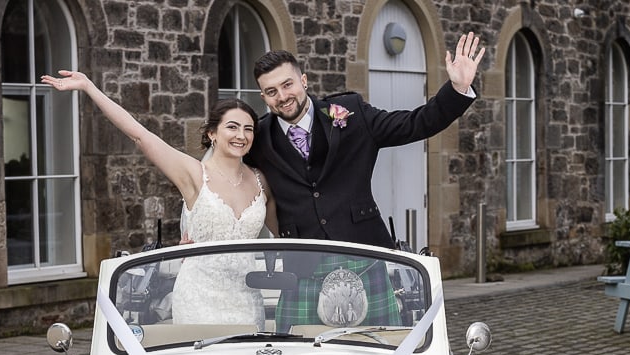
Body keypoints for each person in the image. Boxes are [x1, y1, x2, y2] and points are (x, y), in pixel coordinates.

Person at [245, 34, 486, 330]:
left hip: (364, 256)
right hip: (302, 268)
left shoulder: (351, 113)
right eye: (271, 92)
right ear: (262, 96)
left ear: (303, 81)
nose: (282, 97)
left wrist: (458, 89)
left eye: (287, 85)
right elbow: (227, 178)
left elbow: (415, 123)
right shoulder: (257, 138)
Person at [40, 70, 276, 327]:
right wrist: (89, 87)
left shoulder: (260, 180)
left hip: (247, 301)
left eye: (248, 129)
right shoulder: (194, 174)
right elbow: (140, 136)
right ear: (212, 134)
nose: (241, 135)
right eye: (232, 127)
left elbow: (284, 231)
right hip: (200, 299)